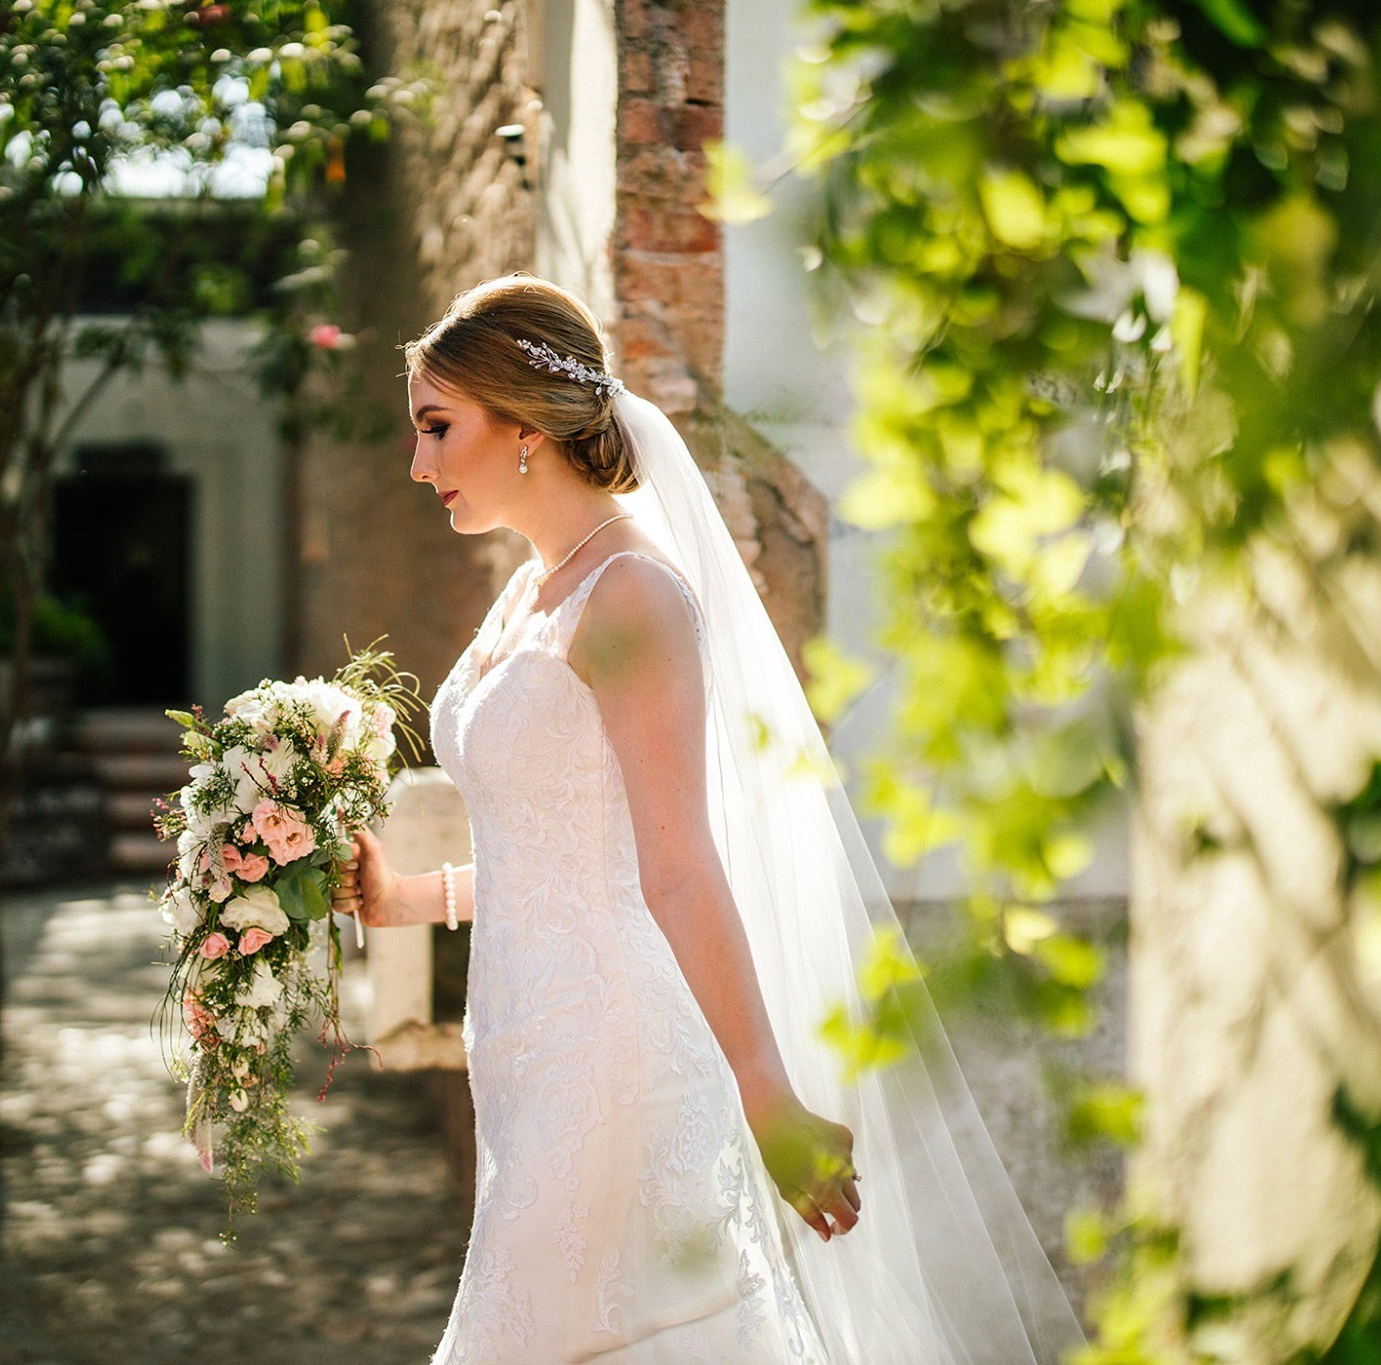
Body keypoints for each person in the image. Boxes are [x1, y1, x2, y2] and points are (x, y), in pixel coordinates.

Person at [329, 273, 1089, 1363]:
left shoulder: (632, 595)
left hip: (615, 1054)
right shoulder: (534, 588)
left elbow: (677, 865)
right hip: (529, 1050)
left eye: (438, 429)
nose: (419, 464)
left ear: (526, 426)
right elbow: (566, 847)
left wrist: (767, 1095)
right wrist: (411, 898)